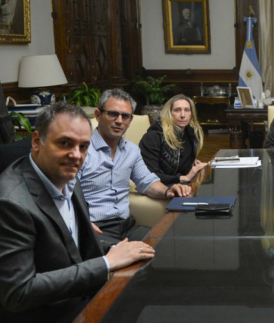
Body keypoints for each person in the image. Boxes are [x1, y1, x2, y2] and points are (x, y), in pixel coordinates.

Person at [0, 103, 154, 323]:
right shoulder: (5, 205)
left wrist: (116, 251)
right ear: (36, 141)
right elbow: (19, 293)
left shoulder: (66, 177)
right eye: (64, 143)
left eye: (83, 146)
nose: (76, 155)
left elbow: (61, 245)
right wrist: (107, 263)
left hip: (59, 304)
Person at [78, 89, 192, 250]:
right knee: (138, 259)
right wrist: (80, 223)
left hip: (127, 227)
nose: (119, 121)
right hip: (95, 230)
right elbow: (65, 195)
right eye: (113, 114)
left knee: (173, 244)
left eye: (125, 116)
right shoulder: (80, 151)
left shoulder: (131, 150)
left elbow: (147, 182)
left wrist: (168, 191)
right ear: (98, 115)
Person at [139, 94, 207, 186]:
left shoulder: (191, 134)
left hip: (182, 184)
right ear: (169, 113)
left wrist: (192, 164)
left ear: (191, 114)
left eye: (187, 110)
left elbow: (177, 161)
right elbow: (149, 175)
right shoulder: (153, 137)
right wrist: (185, 178)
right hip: (161, 186)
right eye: (177, 110)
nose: (183, 115)